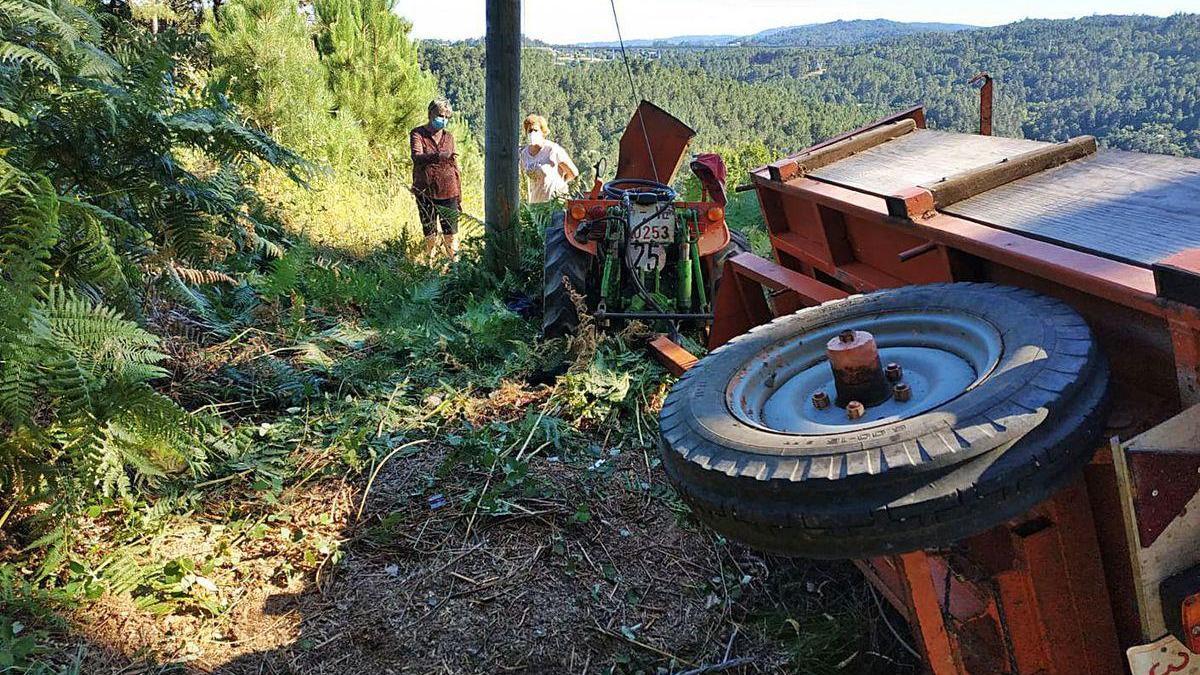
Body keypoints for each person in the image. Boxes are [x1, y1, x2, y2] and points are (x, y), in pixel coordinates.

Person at [410, 98, 461, 263]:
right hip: (425, 191)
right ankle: (429, 265)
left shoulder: (449, 137)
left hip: (449, 191)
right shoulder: (418, 133)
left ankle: (455, 268)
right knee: (430, 232)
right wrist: (438, 156)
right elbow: (416, 157)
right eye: (440, 115)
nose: (443, 120)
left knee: (451, 233)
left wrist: (459, 195)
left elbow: (455, 166)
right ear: (430, 114)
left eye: (447, 117)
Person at [519, 114, 579, 204]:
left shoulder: (552, 149)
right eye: (530, 130)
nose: (532, 133)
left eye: (535, 130)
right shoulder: (525, 154)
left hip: (555, 203)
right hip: (536, 204)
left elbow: (573, 173)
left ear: (543, 132)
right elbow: (524, 179)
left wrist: (560, 184)